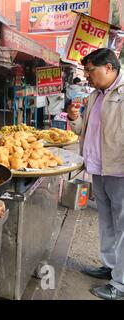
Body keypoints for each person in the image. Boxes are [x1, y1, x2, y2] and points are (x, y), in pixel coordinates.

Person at [67, 48, 124, 300]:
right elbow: (84, 130)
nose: (87, 76)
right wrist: (73, 118)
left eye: (91, 71)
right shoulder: (95, 96)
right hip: (98, 169)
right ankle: (111, 267)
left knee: (123, 226)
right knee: (107, 222)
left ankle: (121, 284)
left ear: (109, 68)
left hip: (120, 170)